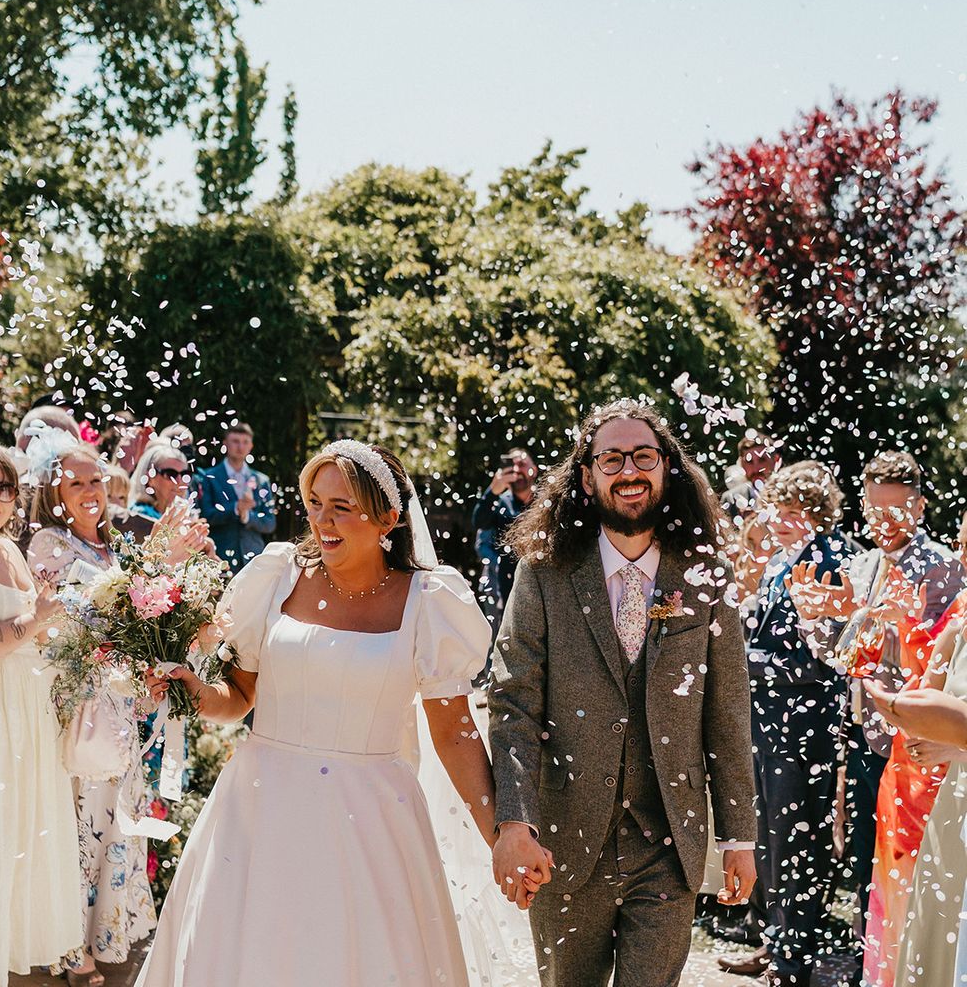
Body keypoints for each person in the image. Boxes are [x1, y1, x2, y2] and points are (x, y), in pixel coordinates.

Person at [135, 440, 538, 986]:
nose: (323, 520)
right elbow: (239, 696)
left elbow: (455, 734)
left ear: (388, 519)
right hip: (260, 808)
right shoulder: (275, 577)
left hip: (371, 820)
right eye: (316, 503)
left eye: (342, 507)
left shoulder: (428, 601)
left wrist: (504, 838)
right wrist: (196, 692)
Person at [488, 399, 757, 987]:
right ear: (587, 477)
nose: (629, 471)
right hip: (563, 843)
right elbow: (513, 704)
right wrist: (514, 824)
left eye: (643, 456)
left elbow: (727, 711)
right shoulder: (544, 571)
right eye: (611, 459)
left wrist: (739, 837)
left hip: (669, 845)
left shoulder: (706, 575)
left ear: (667, 468)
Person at [789, 450, 966, 986]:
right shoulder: (862, 565)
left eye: (897, 509)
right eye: (875, 510)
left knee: (919, 871)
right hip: (865, 737)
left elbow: (943, 664)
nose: (885, 521)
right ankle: (877, 967)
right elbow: (841, 656)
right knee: (871, 863)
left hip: (924, 751)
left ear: (921, 507)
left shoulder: (945, 568)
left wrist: (901, 624)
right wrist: (815, 617)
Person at [25, 436, 158, 986]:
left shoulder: (116, 548)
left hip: (121, 706)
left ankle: (106, 930)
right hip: (76, 707)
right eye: (75, 482)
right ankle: (67, 942)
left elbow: (134, 619)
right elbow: (69, 623)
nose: (89, 491)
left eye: (96, 480)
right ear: (55, 493)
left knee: (113, 816)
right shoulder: (49, 544)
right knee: (77, 820)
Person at [718, 462, 849, 985]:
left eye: (796, 513)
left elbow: (827, 660)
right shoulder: (778, 562)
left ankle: (794, 960)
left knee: (798, 841)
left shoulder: (828, 564)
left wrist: (744, 662)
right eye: (779, 510)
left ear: (819, 517)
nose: (783, 521)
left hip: (806, 725)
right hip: (766, 720)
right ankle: (773, 941)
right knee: (767, 836)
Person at [0, 435, 82, 987]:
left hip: (24, 716)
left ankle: (0, 958)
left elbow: (34, 624)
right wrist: (37, 620)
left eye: (4, 488)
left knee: (15, 838)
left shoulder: (9, 550)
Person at [866, 614, 967, 987]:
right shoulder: (959, 628)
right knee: (938, 925)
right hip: (954, 808)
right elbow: (923, 708)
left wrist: (958, 747)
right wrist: (899, 708)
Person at [194, 423, 276, 570]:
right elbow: (206, 516)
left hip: (254, 558)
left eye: (245, 442)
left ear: (251, 446)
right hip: (220, 557)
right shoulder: (209, 477)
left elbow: (270, 523)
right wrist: (235, 508)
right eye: (235, 441)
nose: (240, 447)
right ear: (225, 443)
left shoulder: (262, 480)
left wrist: (248, 516)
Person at [471, 448, 537, 614]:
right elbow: (479, 522)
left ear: (534, 470)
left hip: (540, 587)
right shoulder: (500, 502)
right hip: (506, 590)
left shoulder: (546, 501)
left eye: (522, 464)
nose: (516, 469)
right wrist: (492, 491)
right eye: (511, 465)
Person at [721, 430, 782, 520]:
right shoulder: (730, 499)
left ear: (776, 460)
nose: (756, 468)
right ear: (741, 463)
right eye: (749, 461)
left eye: (762, 460)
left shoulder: (789, 492)